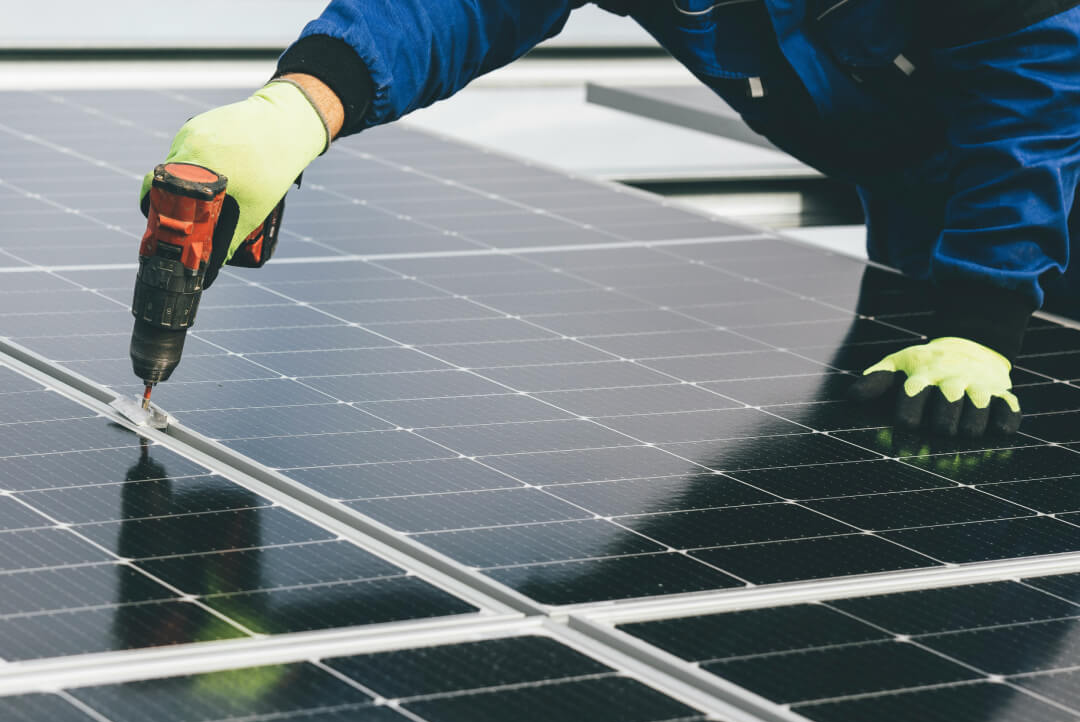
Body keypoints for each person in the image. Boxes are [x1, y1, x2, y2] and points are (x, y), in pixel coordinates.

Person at [146, 1, 1080, 438]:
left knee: (1010, 522)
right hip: (923, 206)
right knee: (882, 474)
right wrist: (306, 102)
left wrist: (980, 322)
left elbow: (1038, 96)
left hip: (1044, 194)